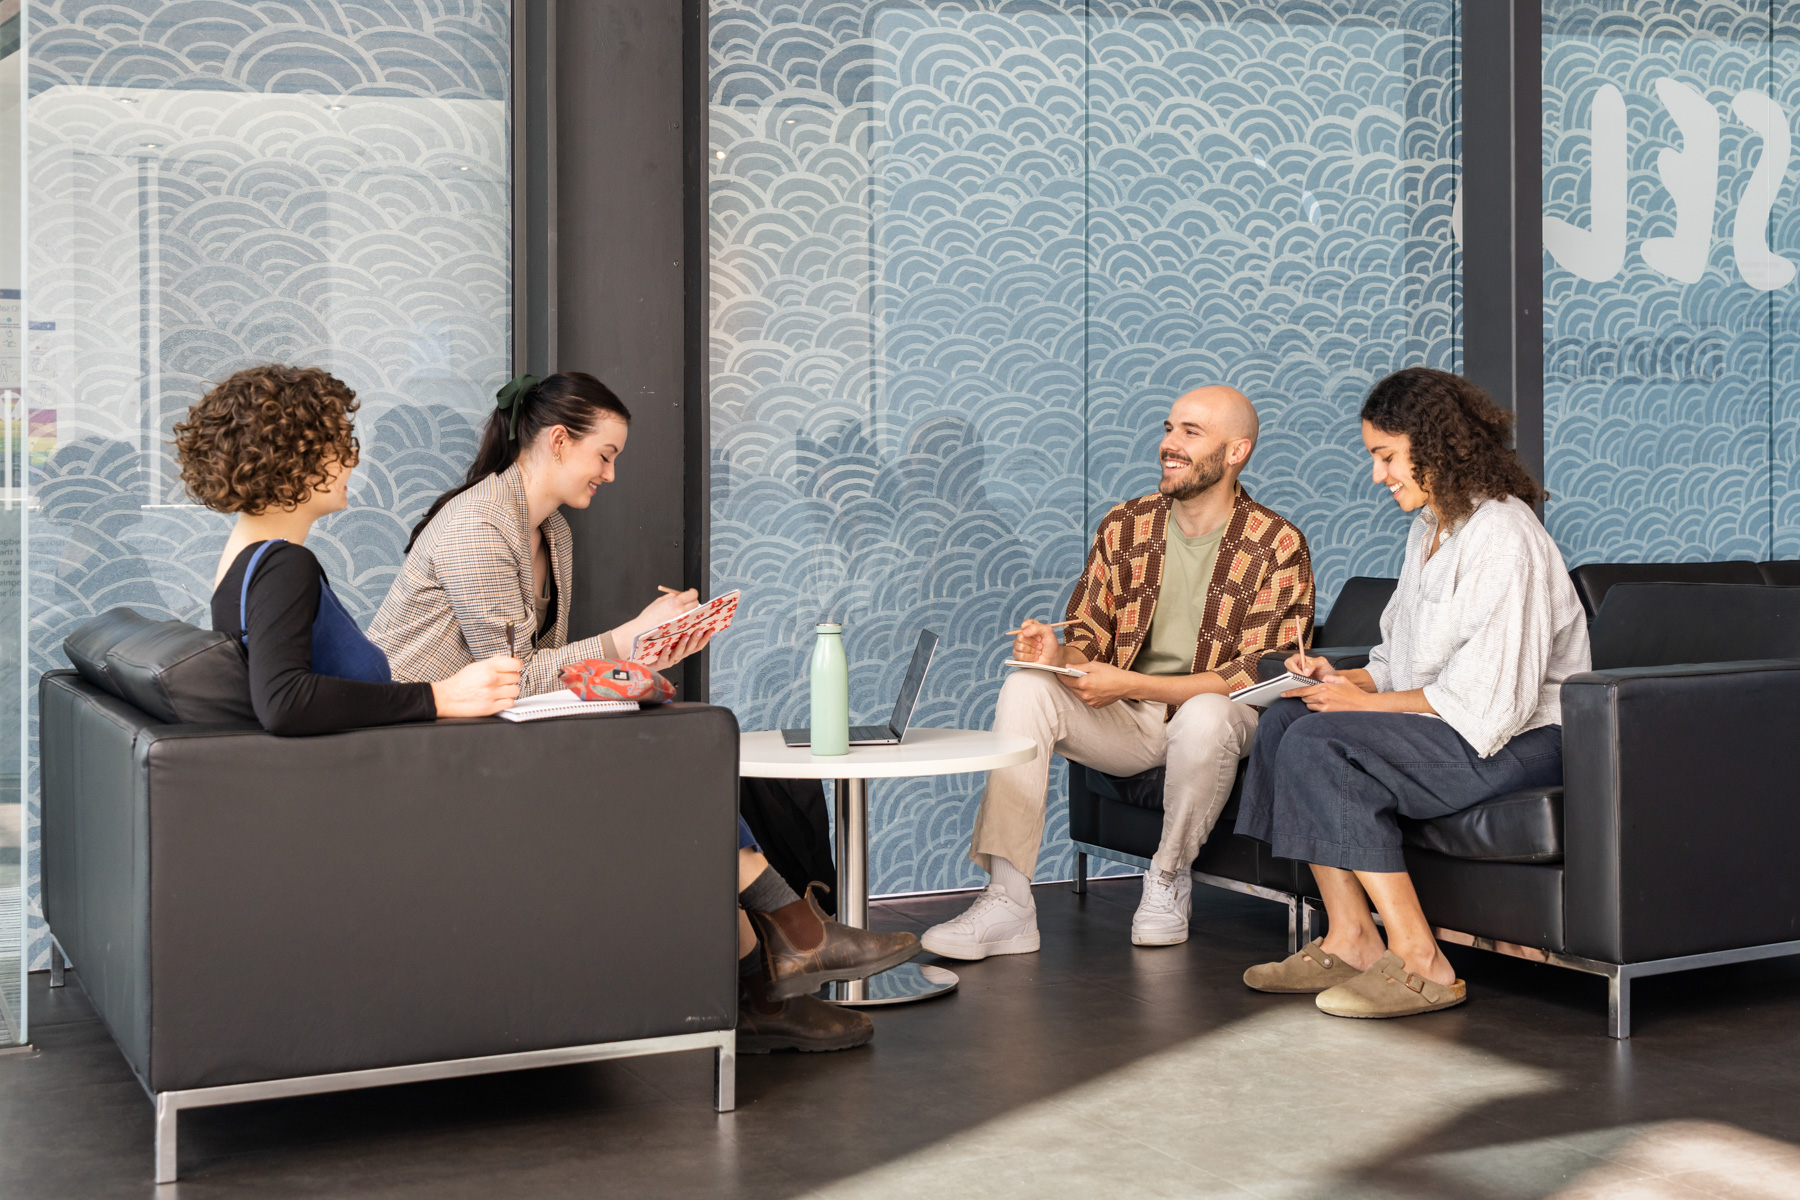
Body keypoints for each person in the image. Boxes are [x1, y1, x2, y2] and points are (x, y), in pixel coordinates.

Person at [371, 372, 919, 1052]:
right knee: (665, 760)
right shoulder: (480, 526)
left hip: (485, 730)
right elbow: (508, 678)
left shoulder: (553, 536)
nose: (610, 473)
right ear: (557, 440)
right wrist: (626, 642)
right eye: (605, 454)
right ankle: (787, 941)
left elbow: (533, 677)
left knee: (670, 745)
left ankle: (770, 977)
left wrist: (644, 649)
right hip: (423, 746)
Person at [1236, 367, 1590, 1019]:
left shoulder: (1505, 538)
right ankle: (1351, 939)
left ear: (1436, 445)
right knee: (1289, 719)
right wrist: (1340, 681)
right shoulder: (1430, 528)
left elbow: (1495, 702)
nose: (1379, 475)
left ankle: (1424, 961)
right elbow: (1398, 659)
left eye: (1387, 457)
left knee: (1321, 742)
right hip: (1456, 725)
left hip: (1523, 740)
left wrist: (1359, 707)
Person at [921, 385, 1315, 958]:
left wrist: (1129, 683)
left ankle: (1167, 879)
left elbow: (1252, 676)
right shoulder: (1126, 525)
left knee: (1206, 715)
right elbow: (1089, 637)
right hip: (1131, 721)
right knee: (1027, 685)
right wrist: (1059, 656)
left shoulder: (1276, 544)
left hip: (1220, 722)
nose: (1168, 444)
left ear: (1237, 453)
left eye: (1190, 433)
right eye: (1169, 428)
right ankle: (1008, 901)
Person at [172, 364, 522, 736]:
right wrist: (440, 697)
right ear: (294, 458)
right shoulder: (283, 565)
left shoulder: (240, 562)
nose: (351, 461)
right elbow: (283, 703)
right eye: (340, 447)